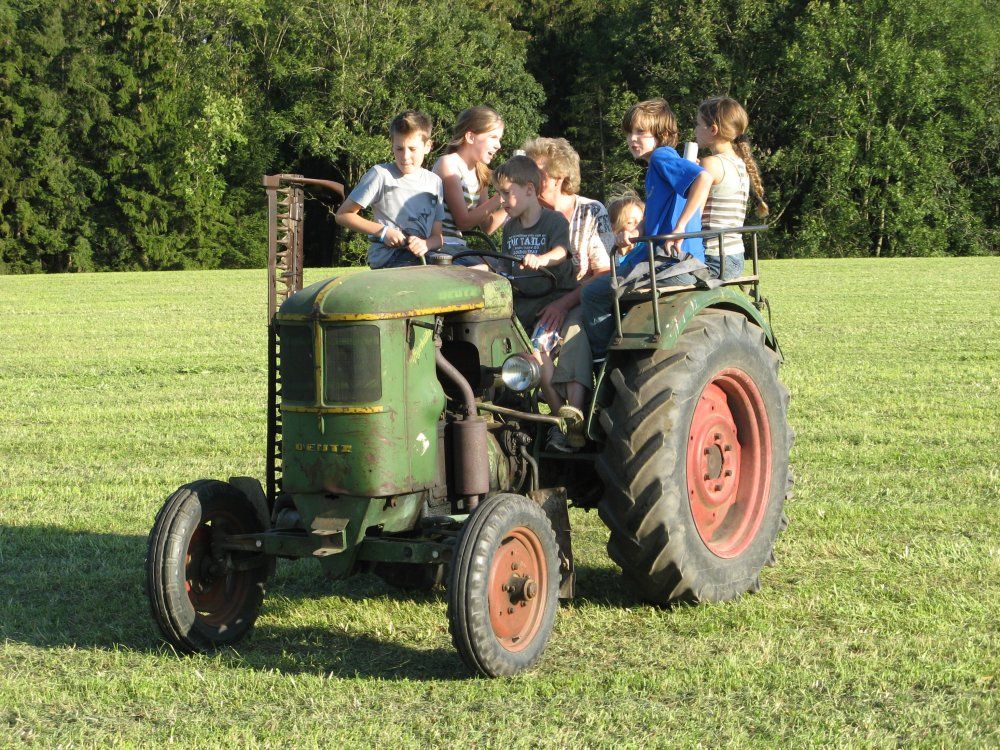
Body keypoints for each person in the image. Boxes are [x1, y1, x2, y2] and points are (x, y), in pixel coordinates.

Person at [581, 98, 714, 367]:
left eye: (641, 132)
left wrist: (680, 228)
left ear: (661, 134)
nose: (632, 139)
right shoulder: (656, 166)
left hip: (674, 263)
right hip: (663, 259)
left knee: (593, 294)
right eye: (629, 132)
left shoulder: (663, 157)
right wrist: (634, 231)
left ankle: (603, 362)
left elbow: (704, 178)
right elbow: (659, 214)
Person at [521, 137, 614, 451]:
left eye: (536, 171)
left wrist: (563, 304)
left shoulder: (590, 212)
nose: (528, 178)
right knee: (532, 348)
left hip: (580, 296)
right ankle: (563, 420)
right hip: (538, 300)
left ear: (559, 176)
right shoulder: (525, 214)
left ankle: (572, 421)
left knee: (574, 333)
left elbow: (603, 272)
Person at [335, 110, 444, 269]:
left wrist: (426, 244)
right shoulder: (380, 175)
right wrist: (383, 232)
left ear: (428, 146)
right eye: (399, 149)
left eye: (412, 149)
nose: (405, 156)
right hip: (389, 259)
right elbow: (343, 215)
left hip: (423, 259)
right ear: (392, 144)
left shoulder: (435, 182)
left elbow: (438, 238)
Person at [695, 96, 769, 280]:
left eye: (698, 124)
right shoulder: (739, 163)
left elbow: (693, 213)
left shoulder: (711, 164)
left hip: (713, 258)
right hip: (734, 257)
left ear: (713, 129)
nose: (695, 129)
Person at [432, 106, 508, 263]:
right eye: (493, 137)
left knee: (505, 267)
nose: (498, 145)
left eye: (499, 139)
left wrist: (512, 199)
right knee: (494, 270)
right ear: (470, 137)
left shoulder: (481, 172)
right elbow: (463, 221)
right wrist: (500, 197)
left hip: (458, 247)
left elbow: (487, 226)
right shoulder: (449, 165)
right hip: (440, 247)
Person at [607, 192, 645, 263]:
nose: (639, 227)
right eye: (630, 222)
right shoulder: (604, 254)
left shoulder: (646, 248)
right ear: (613, 227)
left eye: (642, 222)